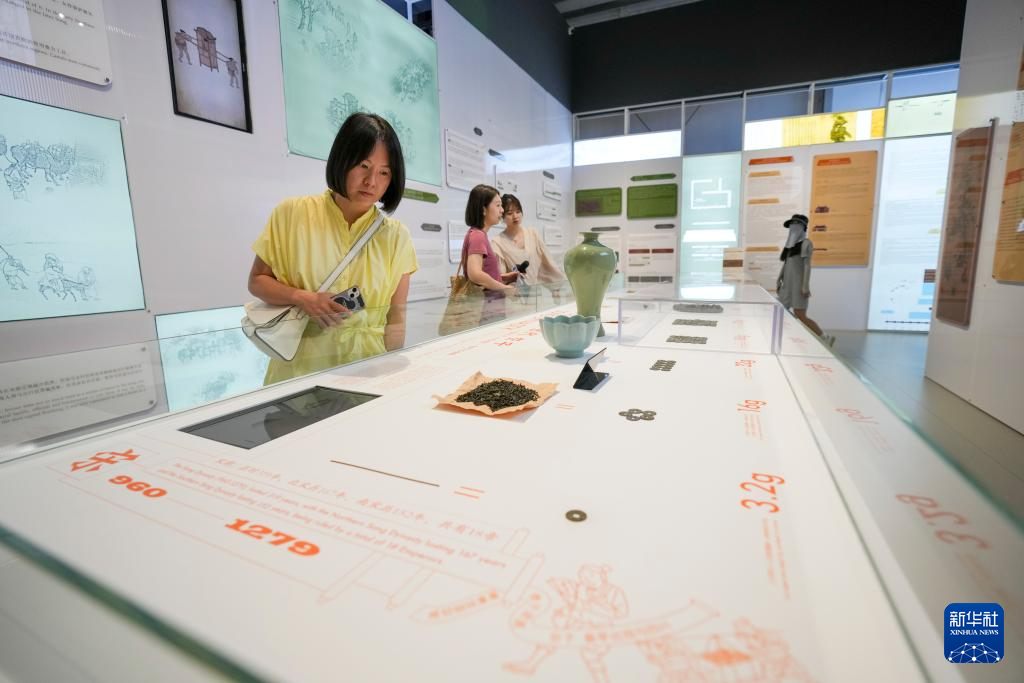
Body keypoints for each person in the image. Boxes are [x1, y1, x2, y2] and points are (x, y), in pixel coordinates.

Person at [248, 113, 418, 384]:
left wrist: (391, 377)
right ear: (342, 159)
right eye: (363, 165)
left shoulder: (398, 236)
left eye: (384, 172)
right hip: (299, 374)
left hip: (367, 373)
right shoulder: (292, 213)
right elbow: (257, 281)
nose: (372, 181)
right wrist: (302, 297)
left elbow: (396, 317)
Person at [461, 184, 518, 322]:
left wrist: (504, 277)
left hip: (490, 311)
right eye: (498, 205)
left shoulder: (477, 234)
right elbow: (475, 274)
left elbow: (483, 273)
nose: (502, 210)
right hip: (486, 312)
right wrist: (505, 288)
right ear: (483, 209)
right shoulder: (478, 236)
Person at [775, 214, 834, 346]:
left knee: (800, 315)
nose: (793, 226)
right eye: (792, 224)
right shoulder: (790, 246)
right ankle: (787, 337)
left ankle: (825, 337)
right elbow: (786, 264)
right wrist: (779, 279)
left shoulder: (806, 244)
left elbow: (807, 266)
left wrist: (805, 286)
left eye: (796, 223)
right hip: (787, 284)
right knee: (781, 310)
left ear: (803, 227)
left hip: (798, 285)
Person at [492, 194, 565, 289]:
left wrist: (558, 286)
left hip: (535, 292)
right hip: (514, 294)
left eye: (518, 211)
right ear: (502, 216)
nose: (515, 216)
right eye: (509, 213)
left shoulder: (533, 234)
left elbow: (548, 263)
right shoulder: (497, 242)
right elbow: (500, 276)